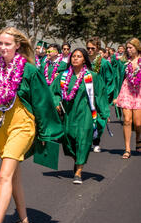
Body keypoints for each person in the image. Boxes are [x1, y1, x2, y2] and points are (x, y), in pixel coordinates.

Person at [0, 28, 63, 223]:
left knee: (4, 175)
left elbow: (43, 102)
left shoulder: (29, 71)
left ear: (18, 46)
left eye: (7, 44)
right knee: (13, 175)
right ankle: (24, 219)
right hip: (1, 125)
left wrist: (45, 133)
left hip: (22, 124)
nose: (3, 47)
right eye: (0, 44)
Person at [52, 48, 110, 183]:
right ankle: (77, 159)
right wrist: (56, 103)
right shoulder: (63, 76)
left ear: (84, 59)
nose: (75, 58)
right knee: (68, 140)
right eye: (73, 56)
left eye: (78, 56)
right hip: (69, 114)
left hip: (85, 114)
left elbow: (100, 94)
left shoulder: (92, 76)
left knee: (83, 140)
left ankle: (78, 171)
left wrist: (104, 112)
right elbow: (54, 92)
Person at [86, 37, 115, 153]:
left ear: (98, 49)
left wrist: (106, 97)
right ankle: (87, 141)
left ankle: (96, 142)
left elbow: (109, 80)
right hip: (86, 94)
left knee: (98, 120)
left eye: (92, 48)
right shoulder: (84, 61)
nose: (90, 50)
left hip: (99, 96)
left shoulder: (103, 63)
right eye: (88, 48)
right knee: (86, 119)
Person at [115, 38, 141, 158]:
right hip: (127, 90)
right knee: (127, 120)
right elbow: (118, 77)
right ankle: (127, 149)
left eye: (131, 48)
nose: (128, 50)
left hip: (139, 92)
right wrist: (116, 95)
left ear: (137, 48)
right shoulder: (124, 62)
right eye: (128, 48)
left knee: (138, 123)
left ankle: (138, 139)